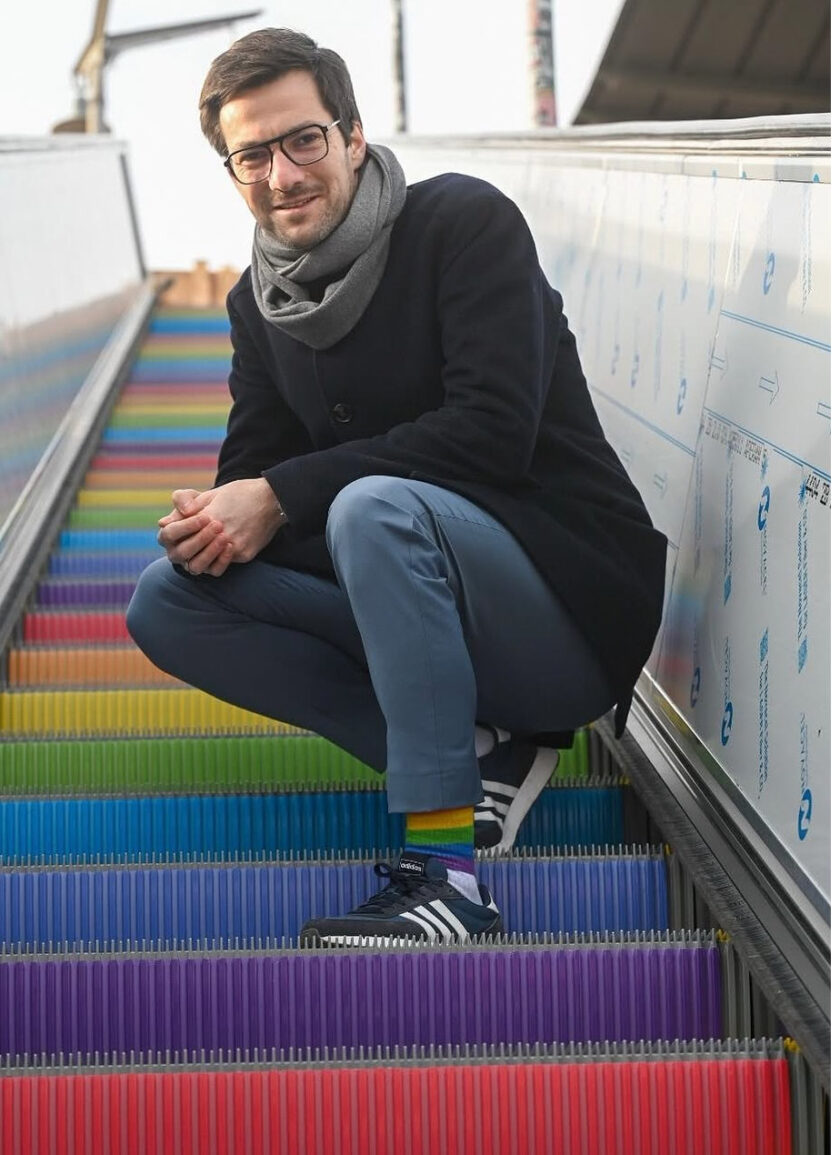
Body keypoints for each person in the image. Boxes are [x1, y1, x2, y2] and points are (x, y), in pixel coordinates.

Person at [126, 28, 667, 944]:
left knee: (370, 506)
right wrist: (220, 517)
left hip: (558, 611)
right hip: (410, 605)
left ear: (352, 136)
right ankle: (479, 751)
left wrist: (285, 494)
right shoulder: (256, 308)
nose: (282, 173)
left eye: (303, 139)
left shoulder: (462, 224)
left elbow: (494, 433)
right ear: (232, 171)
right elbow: (254, 485)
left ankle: (448, 876)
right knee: (169, 598)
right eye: (250, 154)